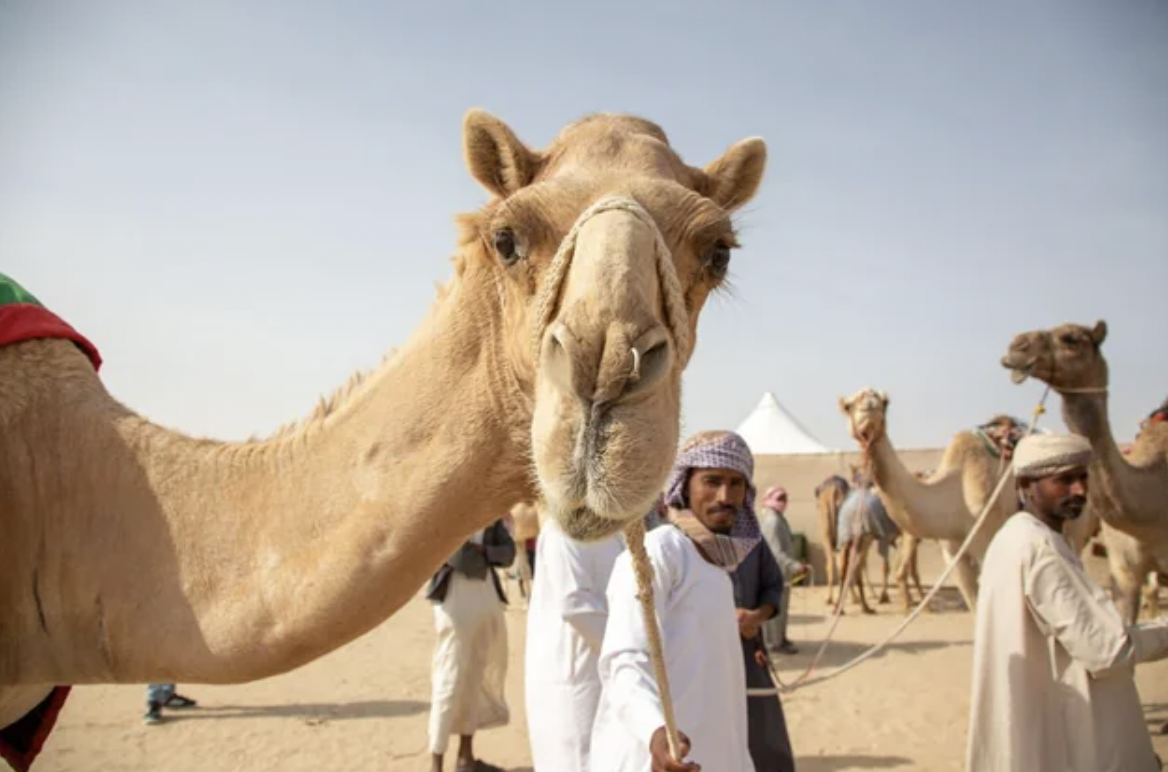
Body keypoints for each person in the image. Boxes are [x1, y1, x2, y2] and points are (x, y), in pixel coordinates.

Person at [965, 433, 1168, 772]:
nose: (1079, 490)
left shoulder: (1015, 536)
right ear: (1027, 484)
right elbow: (1108, 651)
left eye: (1082, 477)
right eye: (1064, 480)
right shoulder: (1040, 548)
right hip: (1070, 737)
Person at [590, 430, 767, 772]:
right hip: (653, 755)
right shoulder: (660, 551)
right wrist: (656, 732)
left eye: (736, 484)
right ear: (685, 486)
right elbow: (624, 658)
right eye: (712, 481)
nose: (725, 496)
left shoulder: (717, 566)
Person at [525, 515, 626, 772]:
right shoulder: (564, 530)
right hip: (574, 678)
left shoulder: (615, 531)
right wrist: (631, 648)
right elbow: (576, 606)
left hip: (607, 670)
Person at [424, 520, 516, 772]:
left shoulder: (489, 511)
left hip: (485, 600)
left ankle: (466, 756)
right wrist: (487, 557)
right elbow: (456, 556)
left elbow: (509, 554)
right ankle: (436, 763)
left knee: (476, 676)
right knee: (448, 680)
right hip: (455, 602)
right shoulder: (449, 507)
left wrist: (485, 553)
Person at [730, 532, 797, 771]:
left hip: (749, 648)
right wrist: (725, 620)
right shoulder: (679, 545)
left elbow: (773, 586)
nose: (724, 496)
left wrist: (756, 617)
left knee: (766, 734)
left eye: (737, 491)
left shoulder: (752, 540)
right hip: (701, 656)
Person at [756, 487, 808, 655]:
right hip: (774, 573)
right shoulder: (772, 521)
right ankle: (773, 643)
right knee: (774, 610)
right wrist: (795, 566)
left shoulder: (778, 518)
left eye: (784, 498)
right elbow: (776, 552)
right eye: (779, 498)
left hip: (781, 573)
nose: (782, 502)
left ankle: (780, 638)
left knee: (782, 608)